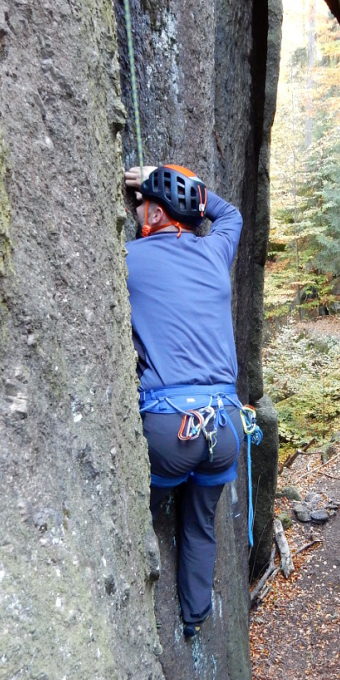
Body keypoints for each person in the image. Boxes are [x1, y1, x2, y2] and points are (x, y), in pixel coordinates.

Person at [124, 163, 245, 638]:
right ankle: (194, 618)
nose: (135, 214)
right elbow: (228, 212)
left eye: (140, 207)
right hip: (226, 427)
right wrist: (167, 177)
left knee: (141, 521)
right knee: (200, 527)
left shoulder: (128, 259)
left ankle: (133, 614)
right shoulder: (215, 251)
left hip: (169, 431)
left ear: (153, 213)